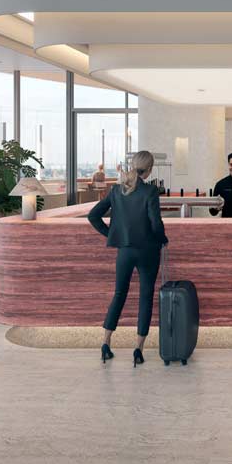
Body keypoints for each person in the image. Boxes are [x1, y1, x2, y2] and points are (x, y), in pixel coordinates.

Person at [87, 150, 168, 367]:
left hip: (124, 251)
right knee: (145, 297)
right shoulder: (150, 191)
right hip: (148, 251)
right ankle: (138, 349)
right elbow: (156, 223)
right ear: (149, 169)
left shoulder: (117, 190)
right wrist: (163, 239)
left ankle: (106, 344)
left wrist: (113, 235)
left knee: (119, 294)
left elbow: (93, 216)